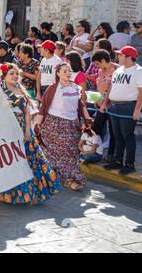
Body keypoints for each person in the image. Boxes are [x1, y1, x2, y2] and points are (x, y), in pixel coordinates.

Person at [0, 63, 61, 204]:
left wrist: (27, 130)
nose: (15, 76)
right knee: (7, 160)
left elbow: (26, 112)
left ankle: (30, 193)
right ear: (4, 76)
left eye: (16, 74)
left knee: (27, 159)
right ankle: (6, 193)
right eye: (11, 74)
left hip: (21, 127)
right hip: (5, 128)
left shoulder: (20, 90)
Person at [36, 62, 92, 191]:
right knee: (55, 153)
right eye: (65, 71)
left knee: (71, 153)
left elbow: (81, 105)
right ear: (58, 74)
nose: (68, 73)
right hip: (54, 125)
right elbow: (44, 106)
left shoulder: (76, 88)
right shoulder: (53, 88)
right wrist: (38, 124)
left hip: (72, 125)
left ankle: (70, 178)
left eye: (69, 70)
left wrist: (87, 119)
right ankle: (55, 177)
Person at [101, 46, 142, 174]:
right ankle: (118, 160)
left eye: (120, 55)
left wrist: (137, 110)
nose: (117, 57)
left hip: (128, 106)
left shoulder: (139, 71)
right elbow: (111, 88)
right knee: (117, 135)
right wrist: (105, 103)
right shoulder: (118, 70)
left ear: (128, 57)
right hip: (115, 106)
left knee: (127, 135)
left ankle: (130, 163)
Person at [91, 50, 119, 165]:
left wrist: (104, 103)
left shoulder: (117, 69)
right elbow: (100, 88)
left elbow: (111, 89)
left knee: (113, 131)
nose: (97, 67)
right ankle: (96, 151)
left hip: (112, 104)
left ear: (103, 60)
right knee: (96, 127)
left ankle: (111, 155)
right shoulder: (101, 71)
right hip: (101, 103)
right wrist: (96, 99)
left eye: (97, 63)